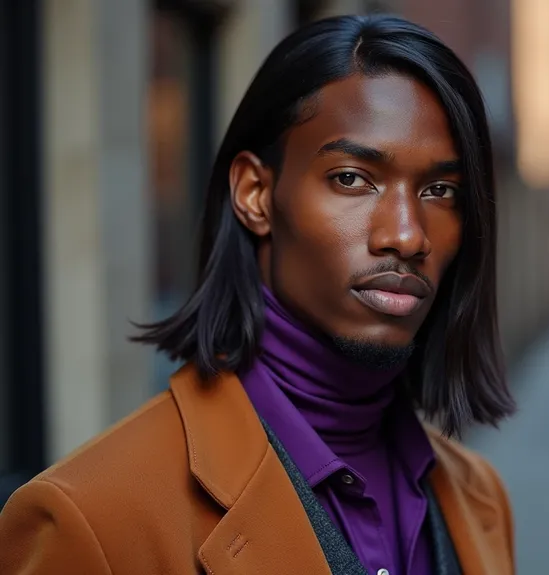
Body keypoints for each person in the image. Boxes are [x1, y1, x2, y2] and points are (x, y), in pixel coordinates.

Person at [0, 14, 516, 575]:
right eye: (351, 178)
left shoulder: (480, 497)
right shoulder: (93, 521)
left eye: (440, 191)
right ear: (255, 194)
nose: (406, 234)